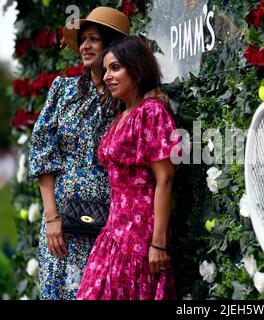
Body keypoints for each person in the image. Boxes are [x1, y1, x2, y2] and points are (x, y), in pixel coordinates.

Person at [28, 7, 130, 300]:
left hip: (108, 220)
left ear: (111, 45)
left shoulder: (125, 97)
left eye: (94, 39)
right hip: (62, 219)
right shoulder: (63, 91)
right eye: (82, 39)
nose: (85, 46)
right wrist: (51, 218)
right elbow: (43, 153)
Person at [76, 36, 179, 300]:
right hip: (114, 229)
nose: (108, 76)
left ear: (137, 68)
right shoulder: (122, 116)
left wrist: (158, 243)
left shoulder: (152, 112)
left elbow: (165, 178)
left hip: (140, 233)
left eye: (116, 68)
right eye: (106, 69)